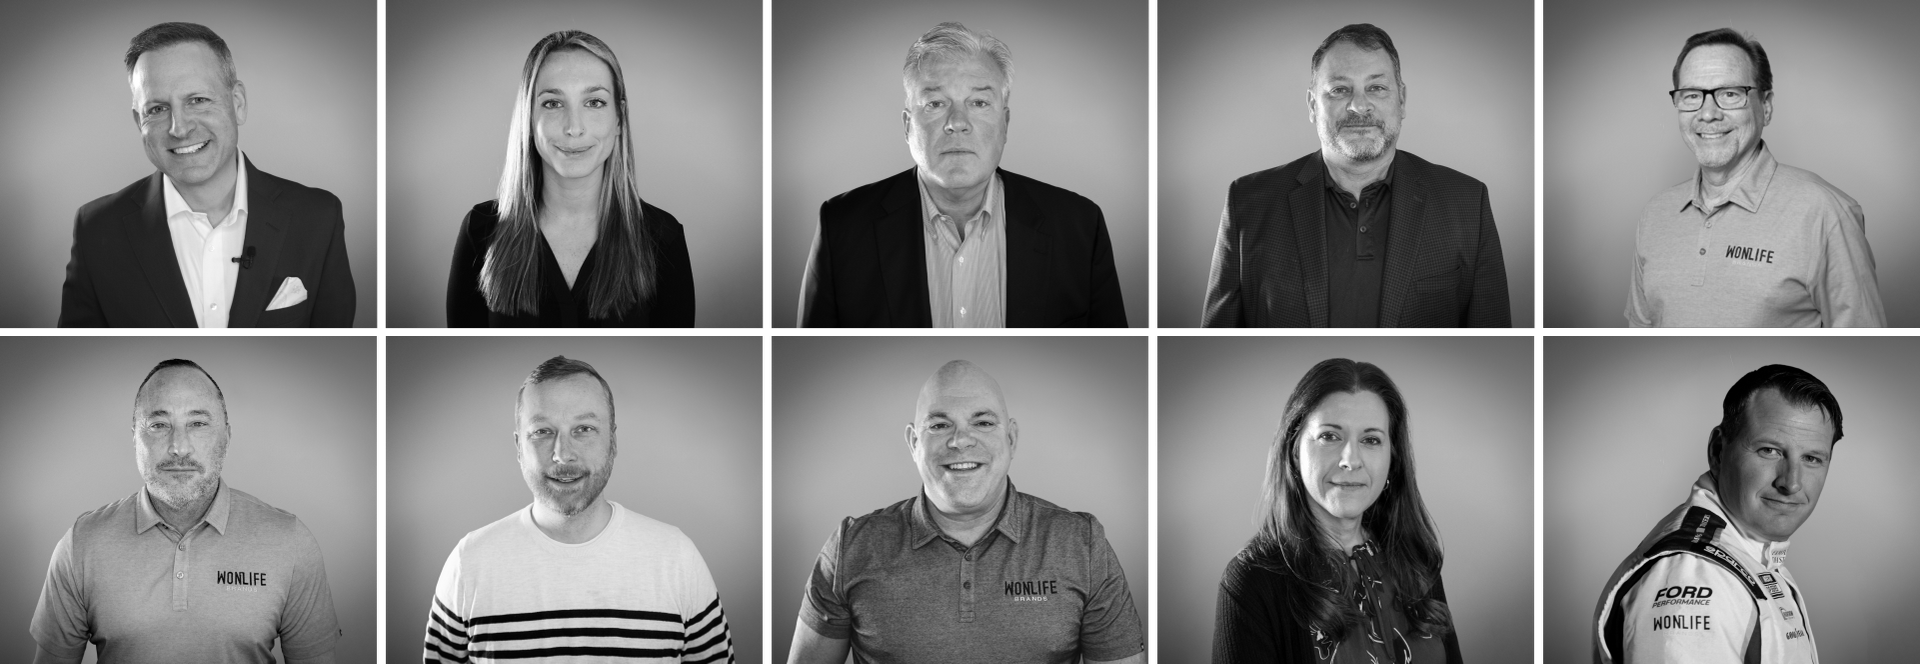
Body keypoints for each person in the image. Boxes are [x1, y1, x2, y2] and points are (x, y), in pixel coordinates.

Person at [786, 360, 1145, 663]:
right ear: (914, 443)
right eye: (940, 425)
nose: (960, 440)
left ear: (1012, 439)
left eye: (983, 422)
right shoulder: (851, 547)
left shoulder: (1081, 544)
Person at [797, 22, 1128, 329]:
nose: (958, 121)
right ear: (908, 125)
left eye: (979, 102)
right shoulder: (842, 226)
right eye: (936, 103)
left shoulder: (1080, 226)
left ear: (1005, 123)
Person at [424, 356, 732, 662]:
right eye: (542, 431)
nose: (563, 454)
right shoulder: (469, 562)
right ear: (519, 447)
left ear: (612, 440)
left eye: (584, 428)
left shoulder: (677, 557)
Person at [30, 359, 341, 663]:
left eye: (198, 424)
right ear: (135, 438)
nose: (179, 446)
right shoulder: (81, 544)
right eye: (159, 425)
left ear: (227, 438)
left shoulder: (290, 541)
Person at [1202, 23, 1510, 329]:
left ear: (1401, 100)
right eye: (1339, 90)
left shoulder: (1468, 202)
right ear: (1312, 104)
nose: (1359, 106)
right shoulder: (1248, 203)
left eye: (1376, 87)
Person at [59, 22, 356, 329]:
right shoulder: (95, 230)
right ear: (139, 122)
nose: (179, 128)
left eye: (198, 100)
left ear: (237, 103)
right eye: (158, 109)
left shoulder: (318, 216)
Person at [1626, 29, 1884, 327]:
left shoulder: (1825, 212)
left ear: (1766, 106)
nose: (1708, 114)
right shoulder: (1655, 214)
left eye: (1730, 94)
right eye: (1692, 96)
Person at [1214, 358, 1462, 663]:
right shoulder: (1251, 581)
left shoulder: (1416, 557)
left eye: (1371, 440)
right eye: (1329, 436)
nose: (1350, 459)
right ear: (1294, 451)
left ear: (1392, 460)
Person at [446, 31, 695, 328]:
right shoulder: (481, 230)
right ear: (528, 118)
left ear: (619, 118)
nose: (574, 128)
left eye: (594, 102)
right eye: (553, 103)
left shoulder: (663, 239)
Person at [1594, 365, 1836, 663]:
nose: (1792, 482)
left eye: (1812, 459)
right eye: (1769, 451)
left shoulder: (1748, 552)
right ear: (1718, 450)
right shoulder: (1697, 578)